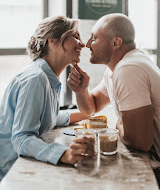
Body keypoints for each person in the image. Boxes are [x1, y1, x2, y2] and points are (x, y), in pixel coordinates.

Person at [67, 13, 160, 185]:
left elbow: (140, 142)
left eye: (94, 38)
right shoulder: (115, 69)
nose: (87, 45)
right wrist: (82, 91)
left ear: (115, 43)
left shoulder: (129, 69)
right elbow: (91, 108)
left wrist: (117, 125)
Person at [0, 16, 95, 181]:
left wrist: (86, 114)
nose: (82, 43)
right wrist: (64, 154)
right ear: (53, 41)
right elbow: (22, 138)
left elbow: (46, 116)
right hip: (11, 171)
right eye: (75, 36)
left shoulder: (47, 77)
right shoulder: (36, 79)